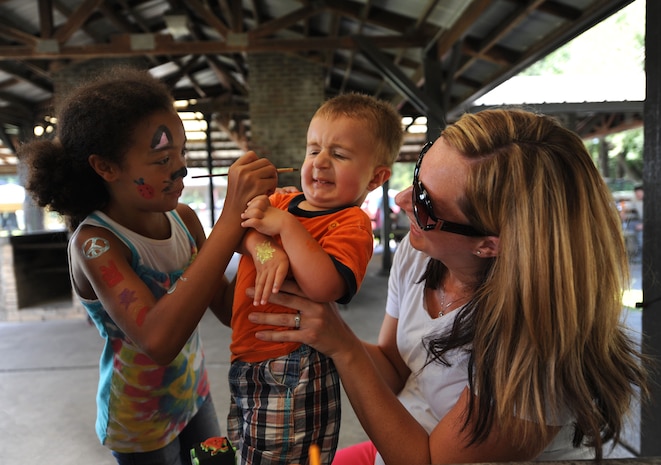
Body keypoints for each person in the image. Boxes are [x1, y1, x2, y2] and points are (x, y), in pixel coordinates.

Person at [246, 108, 649, 465]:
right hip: (400, 436)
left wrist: (342, 345)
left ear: (490, 244)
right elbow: (395, 366)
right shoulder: (420, 251)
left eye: (424, 201)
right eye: (419, 172)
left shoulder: (540, 350)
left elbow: (427, 460)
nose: (403, 198)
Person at [19, 68, 278, 465]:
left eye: (182, 154)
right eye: (161, 159)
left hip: (195, 397)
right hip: (139, 427)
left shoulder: (185, 220)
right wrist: (229, 221)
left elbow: (227, 309)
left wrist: (264, 248)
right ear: (106, 167)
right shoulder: (96, 244)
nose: (181, 169)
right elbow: (159, 341)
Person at [227, 93, 403, 465]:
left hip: (294, 366)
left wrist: (286, 228)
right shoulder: (277, 201)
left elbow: (325, 287)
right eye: (313, 150)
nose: (320, 162)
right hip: (246, 358)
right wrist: (264, 247)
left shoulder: (350, 224)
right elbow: (236, 231)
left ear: (376, 177)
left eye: (339, 155)